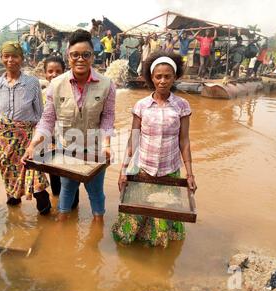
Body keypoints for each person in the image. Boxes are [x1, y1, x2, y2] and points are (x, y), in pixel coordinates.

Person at [22, 29, 116, 222]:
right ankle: (62, 226)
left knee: (96, 193)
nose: (80, 59)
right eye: (75, 55)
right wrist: (33, 145)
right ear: (68, 56)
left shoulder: (107, 84)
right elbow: (47, 120)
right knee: (66, 190)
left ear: (92, 56)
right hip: (67, 150)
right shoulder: (56, 84)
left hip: (95, 151)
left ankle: (98, 227)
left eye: (85, 54)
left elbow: (107, 117)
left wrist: (107, 145)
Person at [112, 51, 197, 247]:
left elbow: (184, 141)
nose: (163, 81)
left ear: (174, 78)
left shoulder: (182, 106)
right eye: (158, 76)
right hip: (144, 168)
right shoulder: (141, 105)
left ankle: (159, 254)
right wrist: (123, 170)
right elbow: (133, 140)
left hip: (169, 171)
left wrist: (190, 174)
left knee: (163, 216)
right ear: (151, 78)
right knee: (136, 215)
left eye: (167, 76)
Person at [0, 41, 51, 214]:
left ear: (22, 59)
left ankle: (47, 220)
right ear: (1, 58)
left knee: (37, 181)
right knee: (10, 181)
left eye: (14, 56)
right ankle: (14, 221)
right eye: (6, 56)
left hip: (28, 139)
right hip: (4, 141)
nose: (10, 60)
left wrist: (40, 144)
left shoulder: (32, 83)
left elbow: (40, 116)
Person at [42, 56, 80, 209]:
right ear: (45, 74)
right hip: (50, 142)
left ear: (64, 72)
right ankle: (59, 205)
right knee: (55, 178)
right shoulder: (43, 94)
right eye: (50, 71)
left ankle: (73, 207)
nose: (54, 74)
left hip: (69, 141)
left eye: (58, 71)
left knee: (71, 176)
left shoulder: (73, 91)